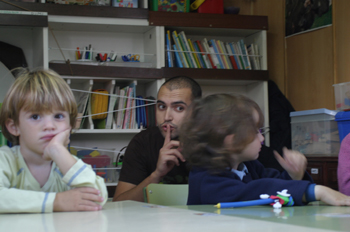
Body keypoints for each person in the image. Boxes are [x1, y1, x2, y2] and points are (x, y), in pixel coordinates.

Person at [181, 93, 350, 206]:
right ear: (231, 141)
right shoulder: (205, 178)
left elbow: (274, 183)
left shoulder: (248, 166)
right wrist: (313, 191)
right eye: (256, 132)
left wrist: (293, 175)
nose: (262, 138)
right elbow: (250, 193)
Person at [0, 68, 108, 213]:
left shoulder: (66, 164)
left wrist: (58, 150)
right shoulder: (5, 160)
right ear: (14, 127)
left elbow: (97, 199)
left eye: (58, 116)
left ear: (70, 125)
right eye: (35, 117)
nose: (49, 126)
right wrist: (56, 201)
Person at [113, 76, 202, 202]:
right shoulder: (143, 142)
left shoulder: (212, 141)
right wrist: (156, 175)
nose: (167, 117)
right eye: (162, 106)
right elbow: (119, 205)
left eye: (179, 108)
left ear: (197, 111)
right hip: (154, 220)